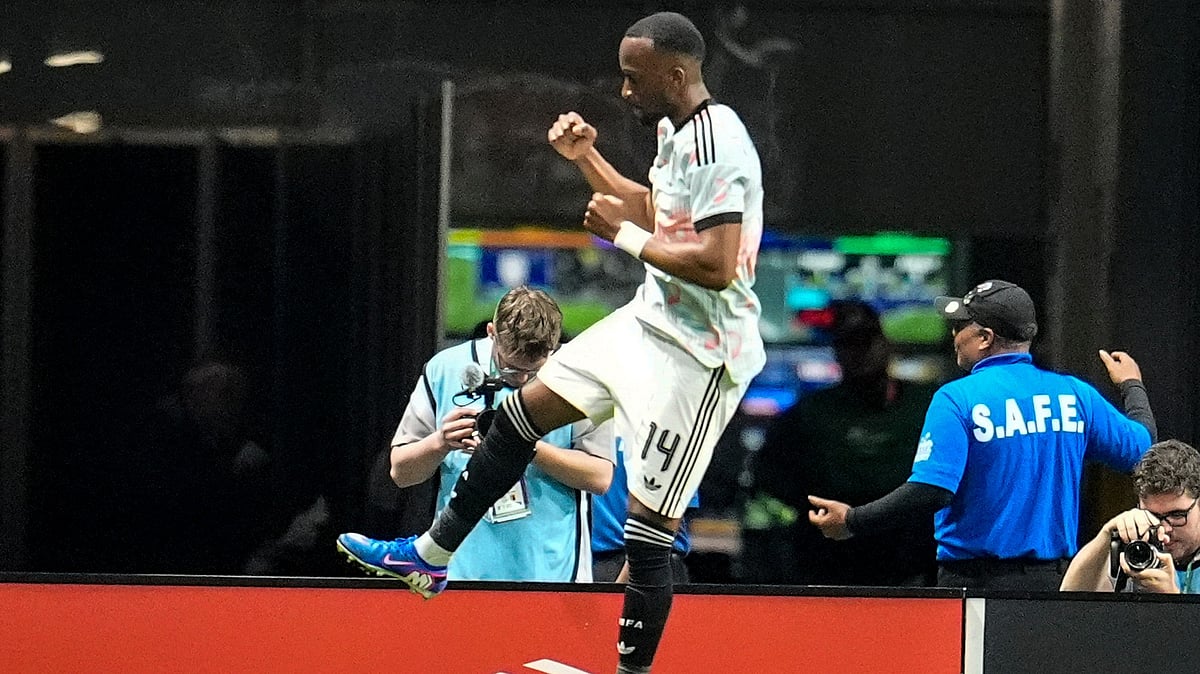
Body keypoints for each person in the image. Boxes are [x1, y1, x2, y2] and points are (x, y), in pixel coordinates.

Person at [337, 12, 765, 673]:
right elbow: (657, 213)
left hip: (701, 353)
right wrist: (585, 160)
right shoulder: (672, 133)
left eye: (633, 77)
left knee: (650, 540)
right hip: (650, 319)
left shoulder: (720, 142)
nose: (623, 91)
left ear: (675, 74)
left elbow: (714, 260)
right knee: (516, 417)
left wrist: (618, 239)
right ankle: (430, 559)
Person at [808, 280, 1156, 590]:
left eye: (961, 326)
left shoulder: (957, 398)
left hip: (973, 585)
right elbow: (1143, 452)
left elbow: (931, 491)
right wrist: (1131, 385)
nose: (953, 335)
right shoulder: (1075, 396)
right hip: (1055, 584)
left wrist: (852, 521)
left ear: (985, 338)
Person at [340, 286, 614, 582]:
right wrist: (440, 443)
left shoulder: (581, 378)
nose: (521, 380)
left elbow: (600, 477)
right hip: (462, 572)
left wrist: (522, 444)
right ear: (491, 332)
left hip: (554, 574)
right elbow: (401, 473)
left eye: (533, 372)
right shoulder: (444, 369)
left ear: (554, 347)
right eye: (511, 369)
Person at [752, 300, 938, 586]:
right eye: (849, 345)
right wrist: (813, 508)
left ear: (885, 345)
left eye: (866, 342)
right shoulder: (811, 412)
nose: (860, 354)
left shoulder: (927, 404)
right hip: (829, 561)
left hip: (909, 560)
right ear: (837, 352)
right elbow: (767, 471)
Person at [1061, 439, 1200, 593]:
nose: (1165, 529)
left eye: (1176, 515)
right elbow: (1068, 604)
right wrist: (1107, 534)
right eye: (1152, 516)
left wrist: (1170, 599)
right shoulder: (1134, 547)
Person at [592, 436, 696, 583]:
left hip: (649, 562)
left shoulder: (669, 426)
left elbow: (669, 513)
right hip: (590, 563)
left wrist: (622, 582)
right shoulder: (588, 422)